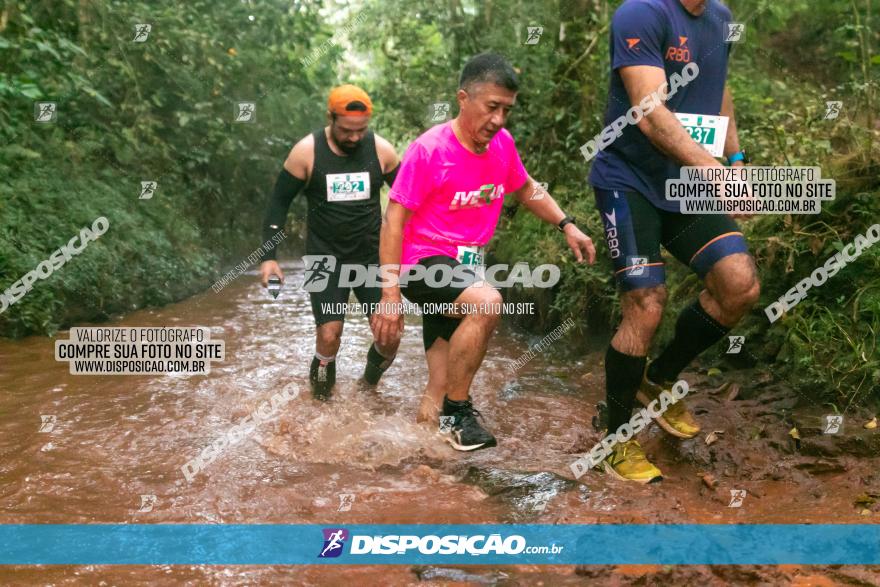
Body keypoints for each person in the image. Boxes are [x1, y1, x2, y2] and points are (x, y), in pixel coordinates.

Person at [373, 53, 597, 451]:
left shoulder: (502, 146)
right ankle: (459, 413)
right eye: (491, 107)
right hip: (423, 263)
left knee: (438, 385)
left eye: (506, 110)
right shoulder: (429, 150)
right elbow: (393, 220)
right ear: (463, 98)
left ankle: (424, 466)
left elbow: (527, 188)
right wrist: (389, 294)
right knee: (488, 302)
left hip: (465, 267)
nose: (498, 119)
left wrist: (567, 224)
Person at [588, 0, 760, 482]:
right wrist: (711, 170)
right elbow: (647, 110)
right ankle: (615, 442)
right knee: (645, 304)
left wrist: (737, 161)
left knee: (739, 285)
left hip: (687, 185)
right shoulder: (641, 13)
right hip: (629, 181)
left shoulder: (721, 19)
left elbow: (718, 90)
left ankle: (657, 378)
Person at [259, 85, 402, 399]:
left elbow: (409, 202)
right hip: (323, 258)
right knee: (328, 335)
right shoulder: (306, 152)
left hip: (371, 258)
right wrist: (268, 256)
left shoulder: (382, 151)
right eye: (346, 130)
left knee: (389, 336)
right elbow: (278, 203)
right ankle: (321, 402)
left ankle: (367, 388)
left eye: (360, 131)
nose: (354, 138)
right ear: (330, 118)